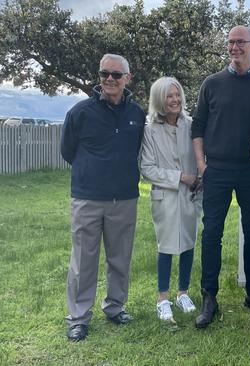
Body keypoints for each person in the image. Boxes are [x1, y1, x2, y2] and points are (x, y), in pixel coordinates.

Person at [191, 25, 250, 328]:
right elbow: (198, 126)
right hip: (216, 170)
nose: (234, 47)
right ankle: (209, 297)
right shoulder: (211, 83)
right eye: (230, 42)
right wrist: (202, 165)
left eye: (240, 42)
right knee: (212, 233)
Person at [61, 54, 145, 341]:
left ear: (127, 79)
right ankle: (79, 317)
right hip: (87, 197)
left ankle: (115, 306)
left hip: (124, 197)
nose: (109, 79)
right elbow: (67, 151)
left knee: (120, 258)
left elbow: (136, 150)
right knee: (83, 259)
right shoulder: (80, 112)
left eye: (116, 75)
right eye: (104, 73)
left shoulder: (137, 114)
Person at [140, 77, 202, 322]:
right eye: (169, 96)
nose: (175, 100)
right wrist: (180, 177)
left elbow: (201, 155)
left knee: (188, 243)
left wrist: (197, 178)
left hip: (191, 195)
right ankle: (162, 298)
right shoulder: (150, 130)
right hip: (165, 196)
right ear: (159, 99)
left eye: (177, 95)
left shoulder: (192, 125)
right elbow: (148, 168)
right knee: (166, 246)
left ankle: (183, 292)